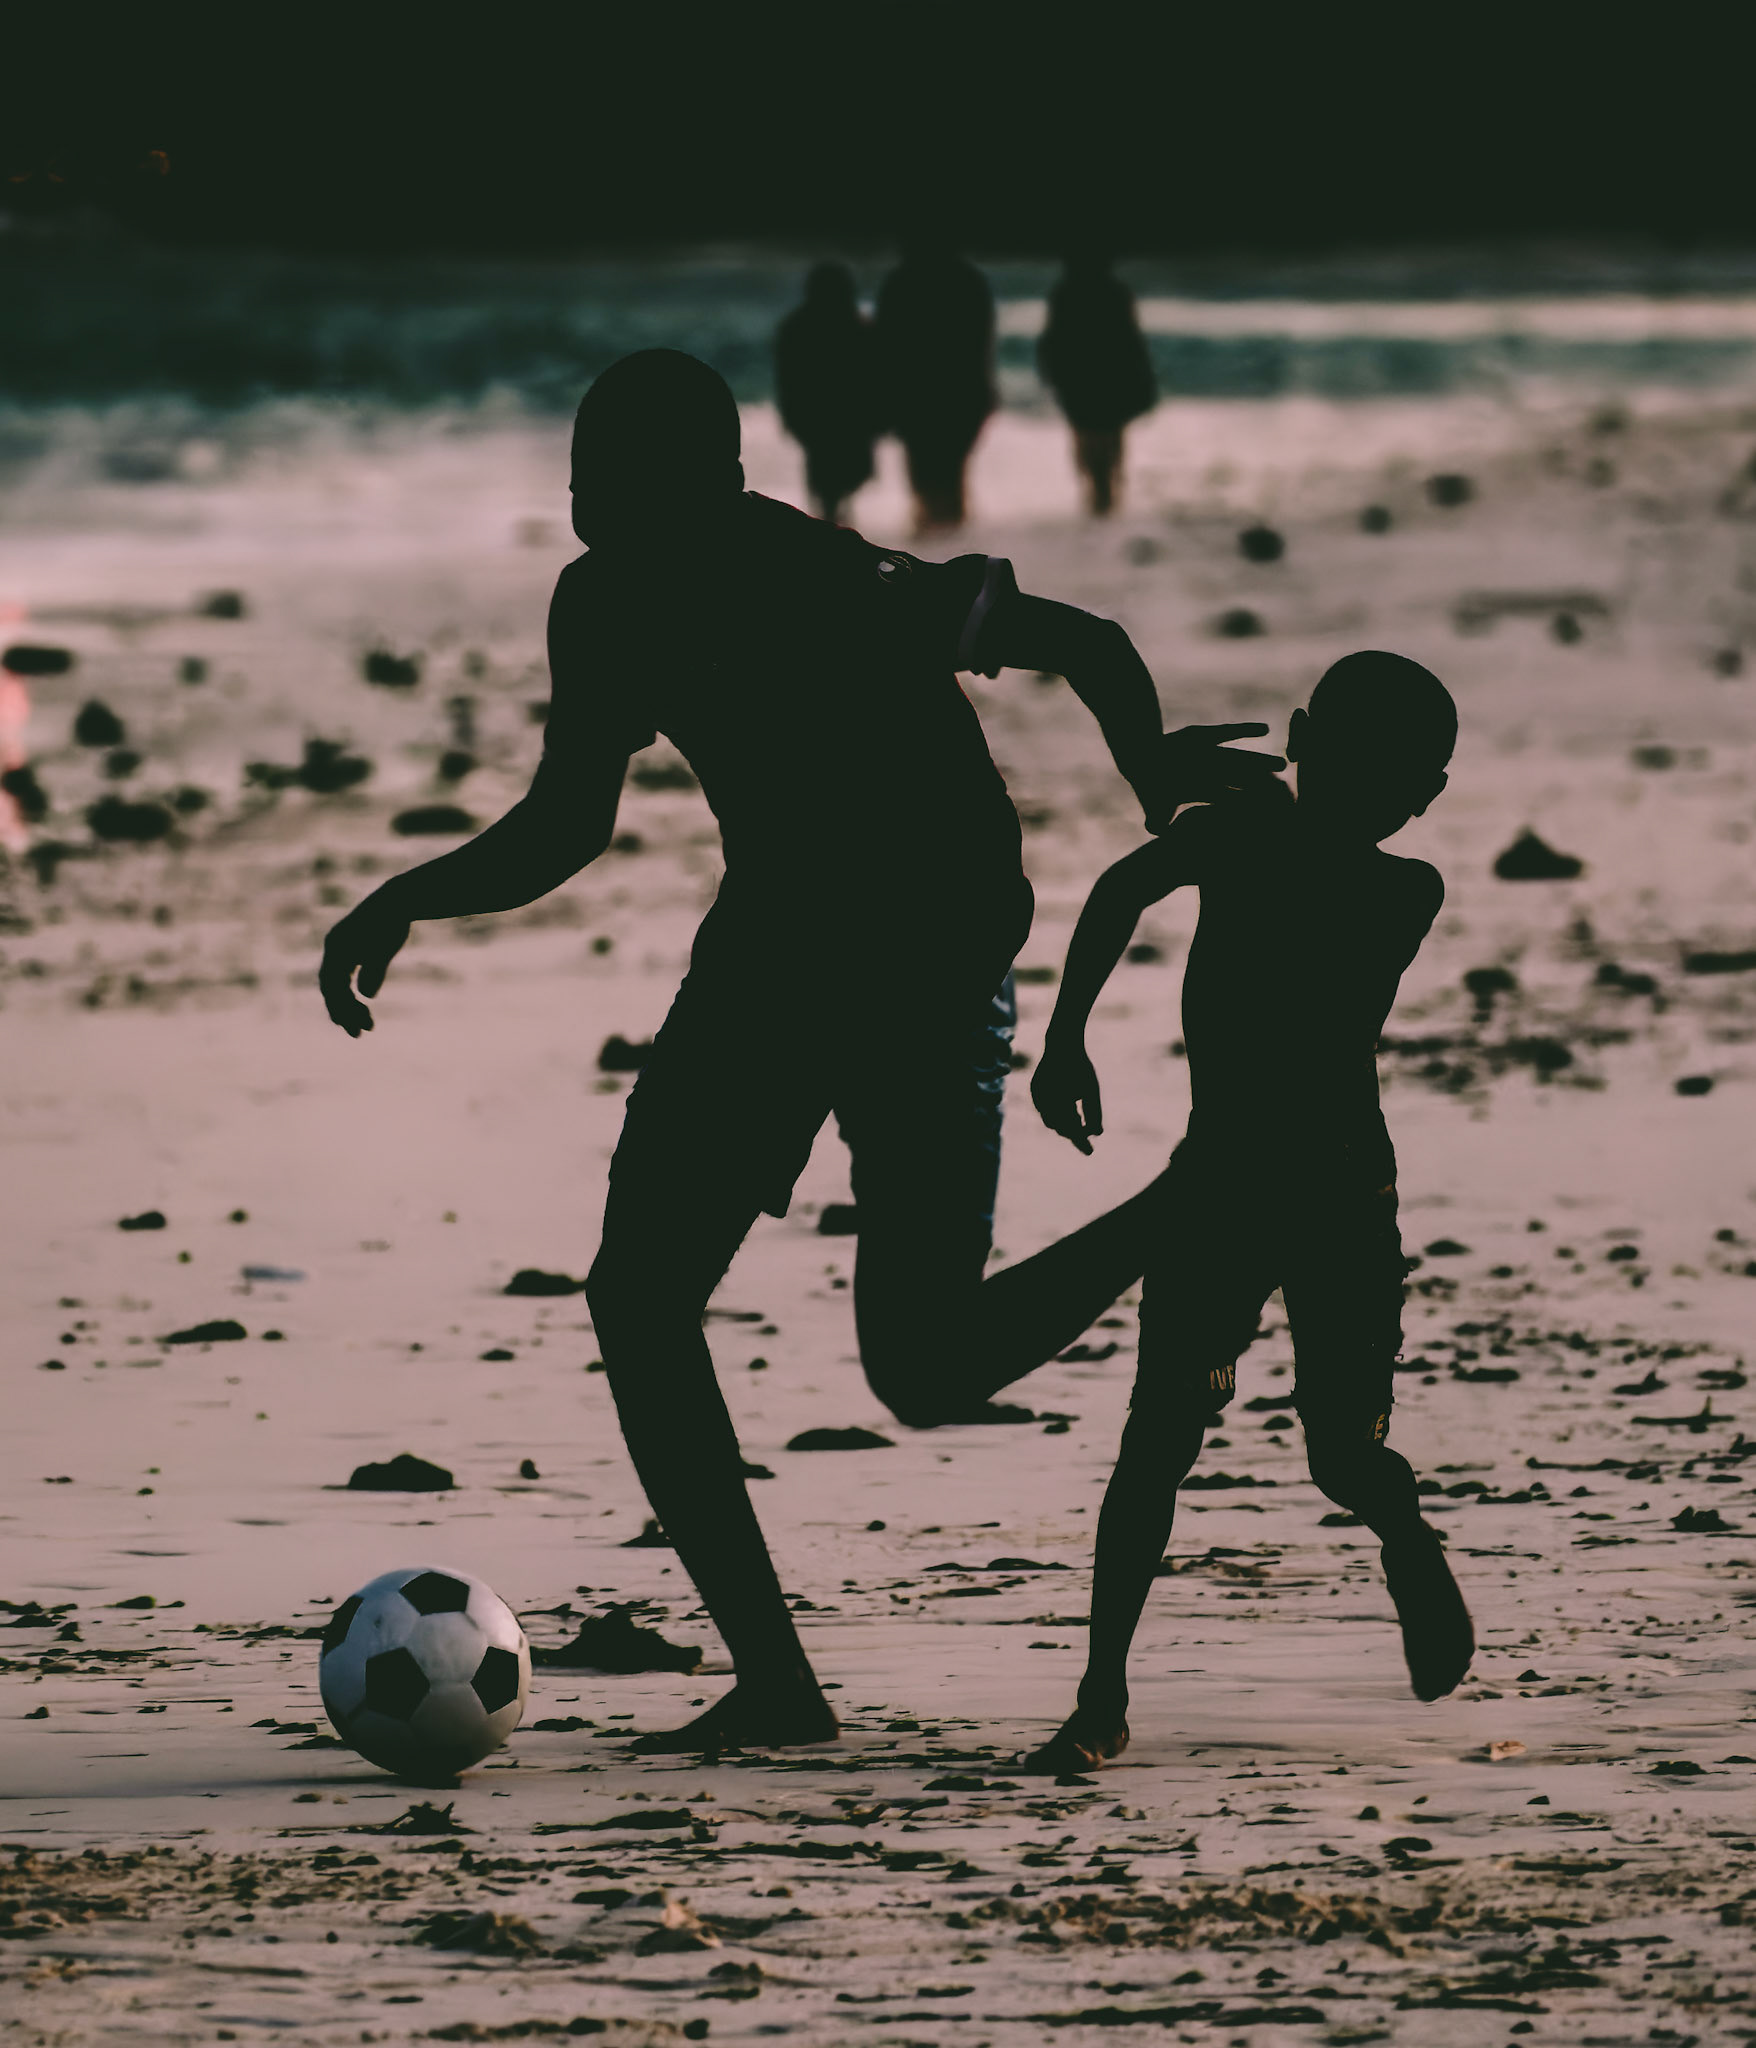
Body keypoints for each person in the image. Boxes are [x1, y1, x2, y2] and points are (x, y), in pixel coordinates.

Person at [319, 350, 1281, 1755]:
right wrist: (410, 892)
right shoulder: (601, 603)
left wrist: (1148, 771)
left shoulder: (833, 580)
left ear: (722, 480)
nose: (597, 509)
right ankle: (777, 1686)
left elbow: (1084, 638)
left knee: (929, 1369)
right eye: (586, 482)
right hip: (774, 945)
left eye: (627, 483)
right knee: (640, 1295)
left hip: (931, 941)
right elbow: (570, 821)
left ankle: (1196, 1197)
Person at [1023, 651, 1475, 1774]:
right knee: (1157, 1440)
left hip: (1332, 1199)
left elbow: (1206, 874)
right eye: (1349, 767)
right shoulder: (1248, 839)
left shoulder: (1395, 890)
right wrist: (1063, 1033)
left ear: (1419, 801)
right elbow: (1121, 889)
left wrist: (1212, 809)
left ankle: (1406, 1539)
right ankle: (1099, 1693)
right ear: (1302, 741)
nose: (1362, 795)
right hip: (1229, 1188)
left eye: (1383, 780)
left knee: (1338, 1458)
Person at [874, 237, 996, 533]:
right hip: (960, 394)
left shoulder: (899, 283)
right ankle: (951, 545)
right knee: (952, 473)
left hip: (914, 396)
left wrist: (882, 398)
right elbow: (981, 345)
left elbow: (884, 348)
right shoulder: (969, 281)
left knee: (924, 475)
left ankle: (933, 547)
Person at [1037, 246, 1157, 517]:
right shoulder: (1115, 293)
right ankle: (1107, 495)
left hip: (1079, 379)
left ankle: (1096, 493)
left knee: (1088, 436)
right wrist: (1144, 379)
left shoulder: (1065, 293)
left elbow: (1052, 343)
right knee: (1109, 436)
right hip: (1110, 377)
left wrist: (1051, 375)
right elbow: (1133, 343)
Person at [774, 262, 880, 525]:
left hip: (818, 419)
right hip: (848, 420)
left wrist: (790, 416)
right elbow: (876, 377)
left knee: (827, 484)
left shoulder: (796, 327)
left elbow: (787, 380)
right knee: (840, 483)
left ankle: (830, 531)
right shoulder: (858, 326)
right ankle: (837, 532)